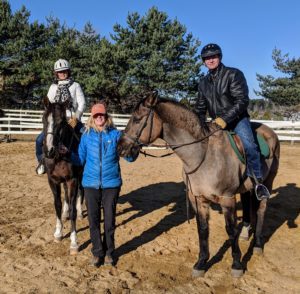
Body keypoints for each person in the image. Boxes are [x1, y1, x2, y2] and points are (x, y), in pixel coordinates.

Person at [194, 43, 270, 239]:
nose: (210, 60)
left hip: (237, 120)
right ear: (204, 61)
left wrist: (225, 119)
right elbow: (200, 108)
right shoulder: (203, 82)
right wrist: (197, 125)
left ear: (219, 57)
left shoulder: (234, 74)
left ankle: (258, 182)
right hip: (215, 124)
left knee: (249, 144)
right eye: (206, 58)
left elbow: (241, 100)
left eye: (213, 56)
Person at [78, 102, 137, 267]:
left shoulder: (116, 135)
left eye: (102, 114)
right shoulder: (86, 136)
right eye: (96, 115)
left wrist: (134, 150)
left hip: (111, 184)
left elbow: (129, 158)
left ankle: (110, 252)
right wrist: (66, 155)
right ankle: (97, 253)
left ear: (106, 116)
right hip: (90, 184)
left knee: (110, 221)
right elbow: (80, 159)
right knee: (93, 220)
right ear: (92, 117)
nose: (99, 117)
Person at [35, 59, 86, 174]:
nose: (62, 73)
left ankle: (85, 163)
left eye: (64, 71)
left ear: (68, 71)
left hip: (71, 118)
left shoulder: (75, 86)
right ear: (56, 73)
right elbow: (48, 104)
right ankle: (41, 161)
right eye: (59, 72)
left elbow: (82, 103)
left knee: (84, 137)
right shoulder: (53, 87)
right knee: (39, 140)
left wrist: (75, 118)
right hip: (57, 120)